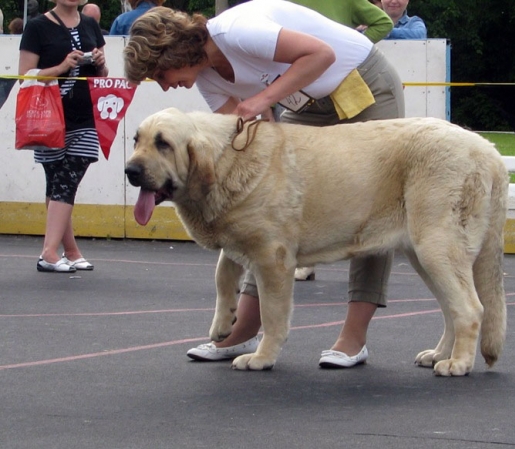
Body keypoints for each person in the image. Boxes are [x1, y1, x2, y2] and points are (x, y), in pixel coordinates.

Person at [124, 0, 405, 368]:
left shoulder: (236, 30)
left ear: (173, 51)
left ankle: (352, 338)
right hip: (305, 103)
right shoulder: (205, 76)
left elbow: (321, 55)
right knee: (265, 215)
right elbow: (249, 137)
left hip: (360, 84)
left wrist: (261, 100)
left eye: (159, 74)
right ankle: (241, 332)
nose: (163, 87)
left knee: (370, 206)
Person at [284, 0, 393, 282]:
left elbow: (384, 22)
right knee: (285, 181)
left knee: (376, 187)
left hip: (349, 89)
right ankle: (299, 260)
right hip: (303, 99)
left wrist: (354, 46)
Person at [19, 0, 109, 273]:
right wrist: (61, 67)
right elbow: (25, 76)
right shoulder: (36, 27)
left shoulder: (91, 24)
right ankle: (68, 251)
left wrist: (102, 64)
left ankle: (49, 252)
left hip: (85, 116)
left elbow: (102, 75)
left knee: (68, 177)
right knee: (58, 183)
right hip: (48, 117)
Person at [288, 0, 393, 44]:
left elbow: (384, 23)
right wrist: (353, 47)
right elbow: (384, 23)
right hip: (335, 69)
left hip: (289, 68)